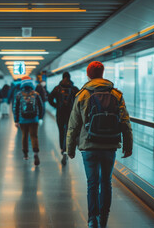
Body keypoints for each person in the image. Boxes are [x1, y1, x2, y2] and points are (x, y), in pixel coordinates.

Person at [66, 61, 133, 228]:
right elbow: (125, 121)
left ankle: (92, 219)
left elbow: (73, 124)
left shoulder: (82, 95)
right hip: (109, 145)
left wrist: (70, 148)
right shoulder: (116, 95)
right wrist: (128, 144)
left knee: (92, 183)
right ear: (102, 73)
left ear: (88, 75)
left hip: (89, 146)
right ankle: (104, 219)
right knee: (106, 182)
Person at [48, 71, 79, 165]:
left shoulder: (57, 88)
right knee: (69, 132)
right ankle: (68, 149)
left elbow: (49, 98)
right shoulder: (74, 88)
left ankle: (62, 149)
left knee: (61, 131)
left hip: (60, 113)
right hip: (71, 114)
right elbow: (80, 100)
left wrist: (56, 105)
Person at [13, 76, 44, 166]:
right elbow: (41, 107)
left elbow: (15, 108)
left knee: (24, 136)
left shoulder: (19, 94)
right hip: (34, 119)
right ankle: (35, 153)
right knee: (34, 136)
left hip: (23, 120)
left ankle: (26, 154)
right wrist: (40, 117)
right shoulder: (36, 94)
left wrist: (16, 120)